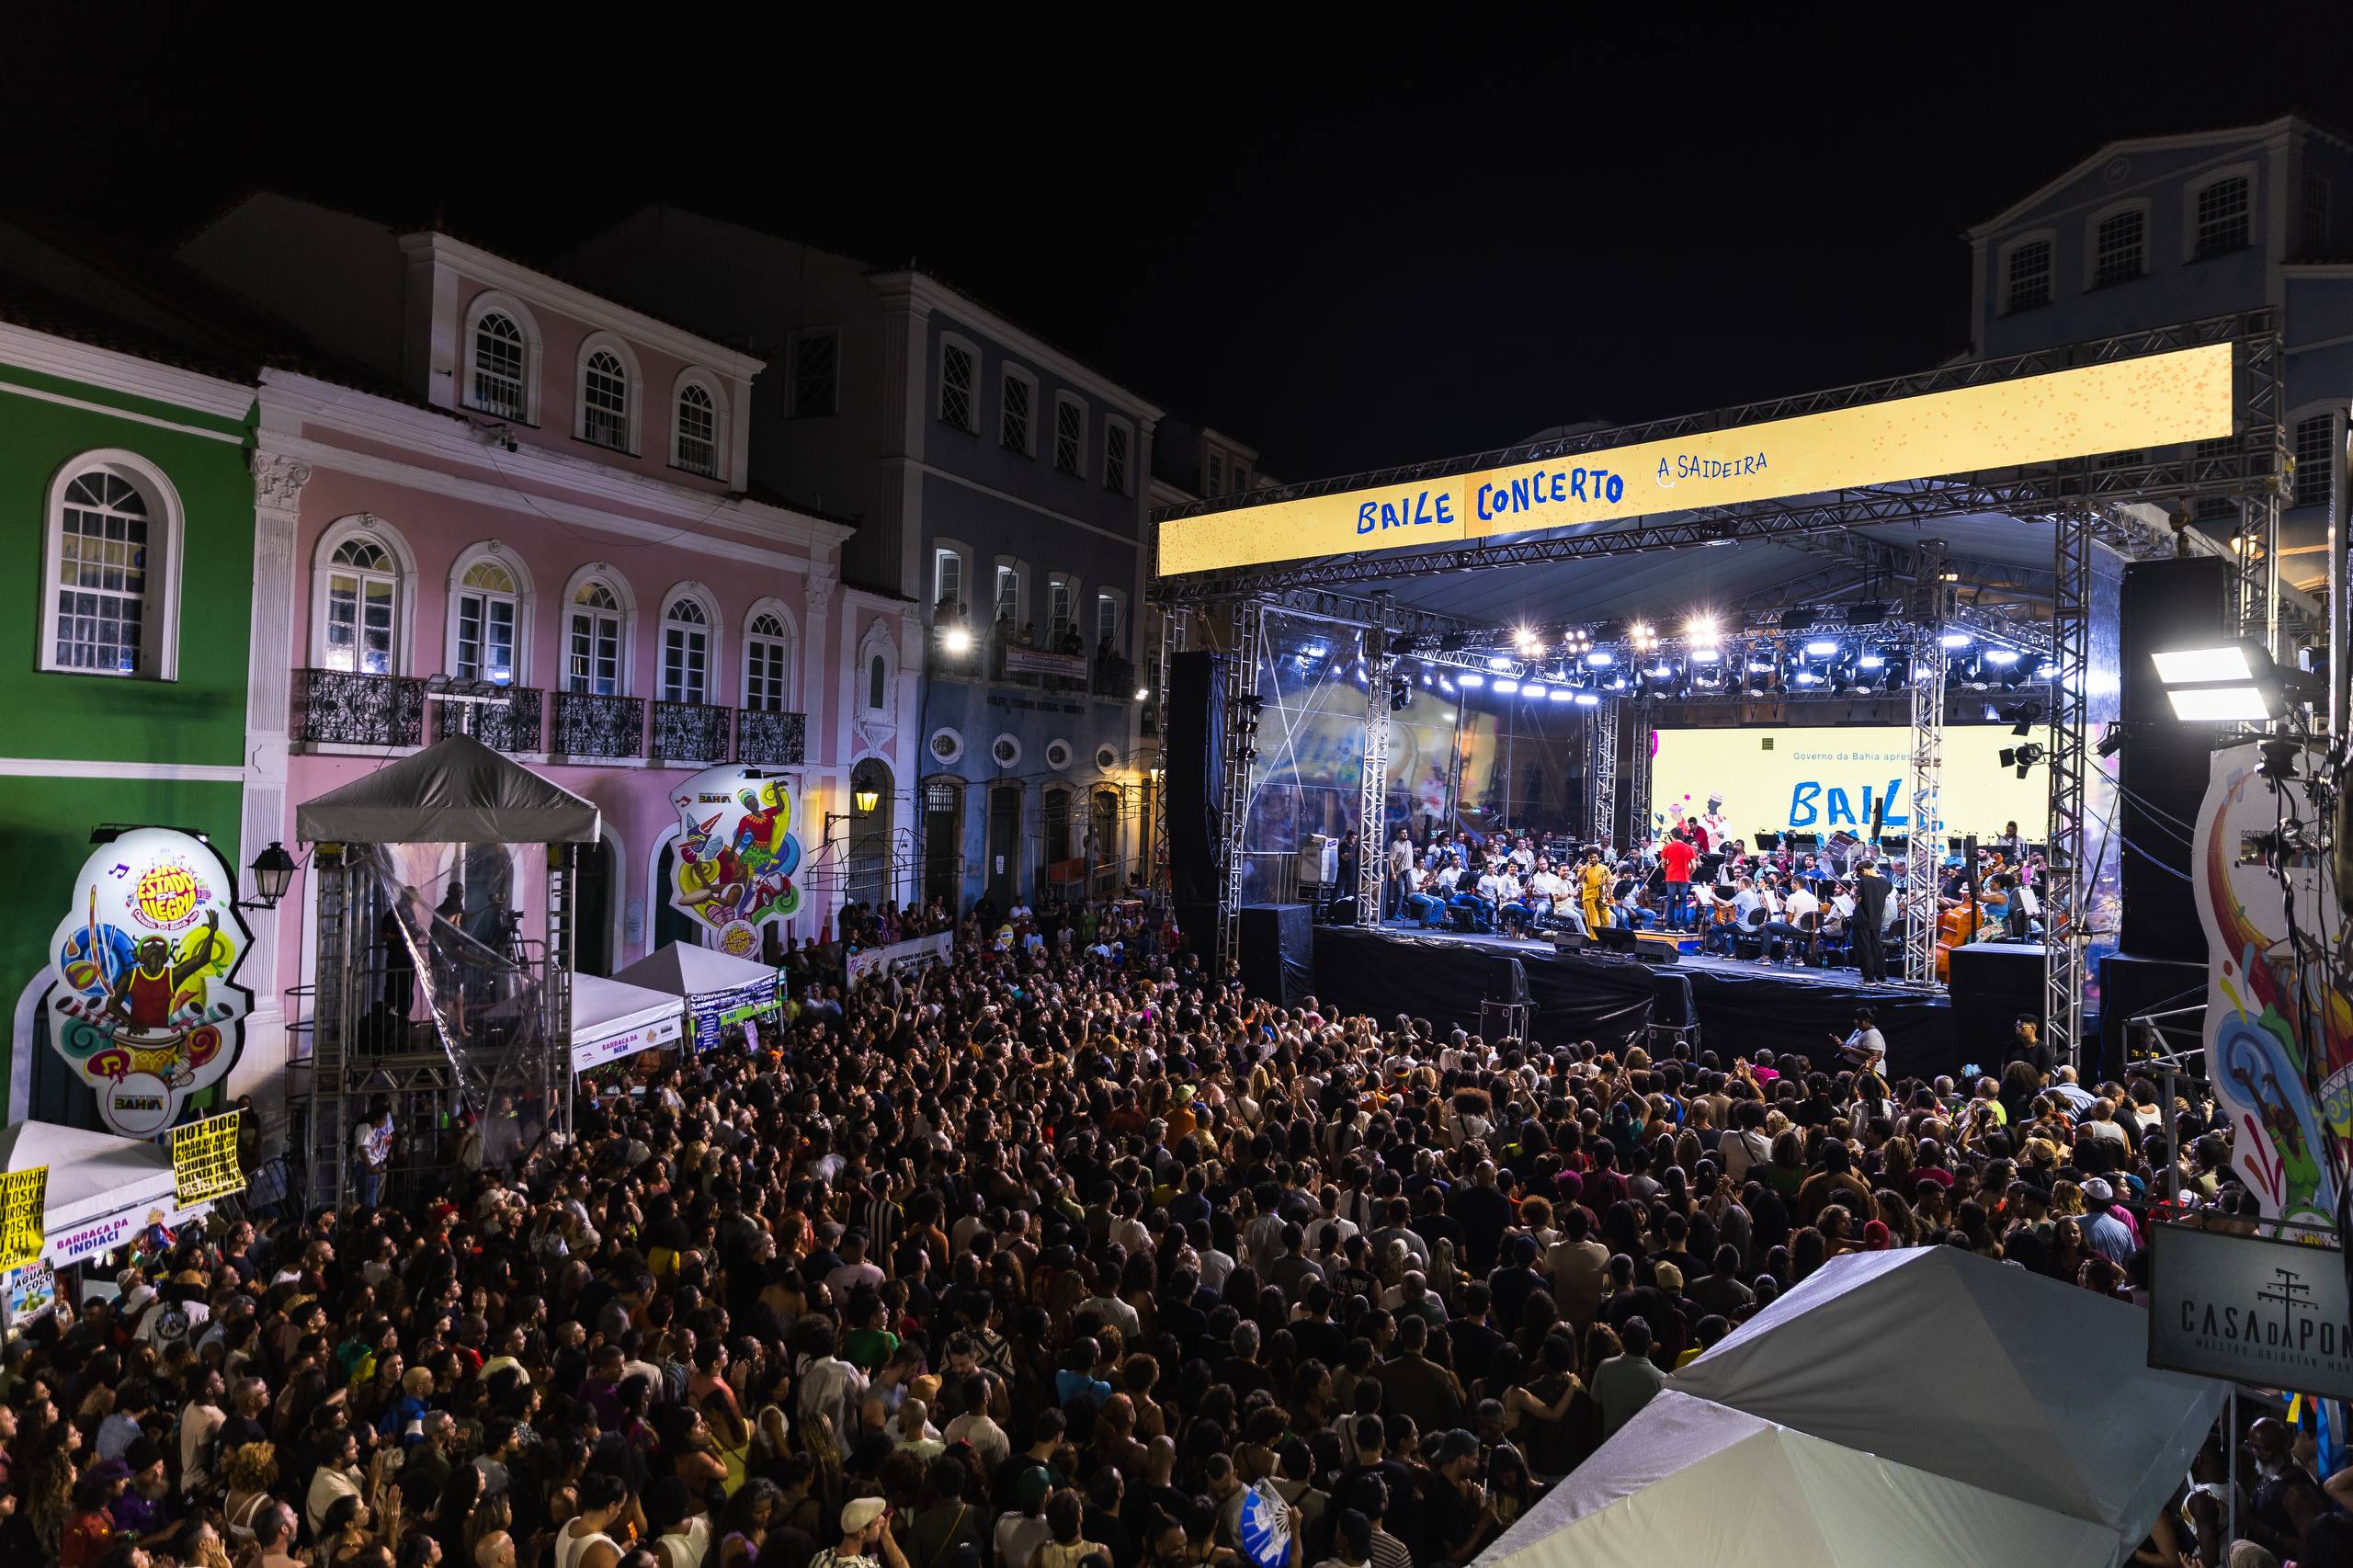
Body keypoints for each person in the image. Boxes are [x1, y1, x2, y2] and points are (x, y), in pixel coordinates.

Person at [1850, 858, 1891, 983]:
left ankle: (1868, 976)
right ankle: (1881, 974)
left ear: (1864, 870)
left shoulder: (1864, 881)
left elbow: (1859, 900)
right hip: (1877, 918)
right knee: (1876, 947)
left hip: (1863, 918)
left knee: (1864, 948)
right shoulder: (1886, 882)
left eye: (1861, 873)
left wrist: (1854, 893)